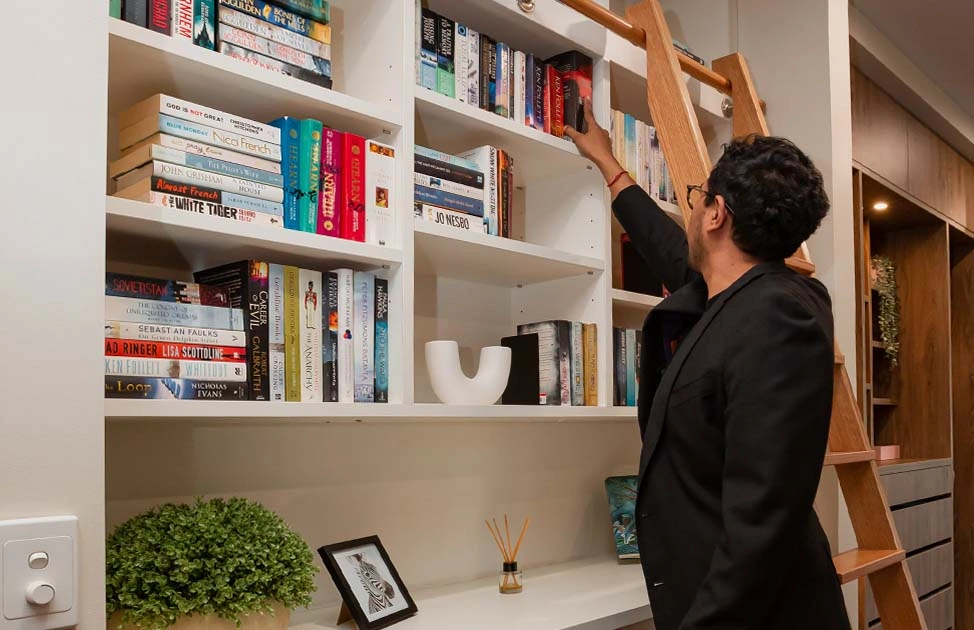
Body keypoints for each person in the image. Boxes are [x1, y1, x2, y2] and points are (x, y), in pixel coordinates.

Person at [566, 100, 851, 630]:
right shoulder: (737, 295)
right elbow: (676, 252)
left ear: (717, 214)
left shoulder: (778, 320)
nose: (691, 212)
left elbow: (761, 522)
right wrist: (610, 166)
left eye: (697, 200)